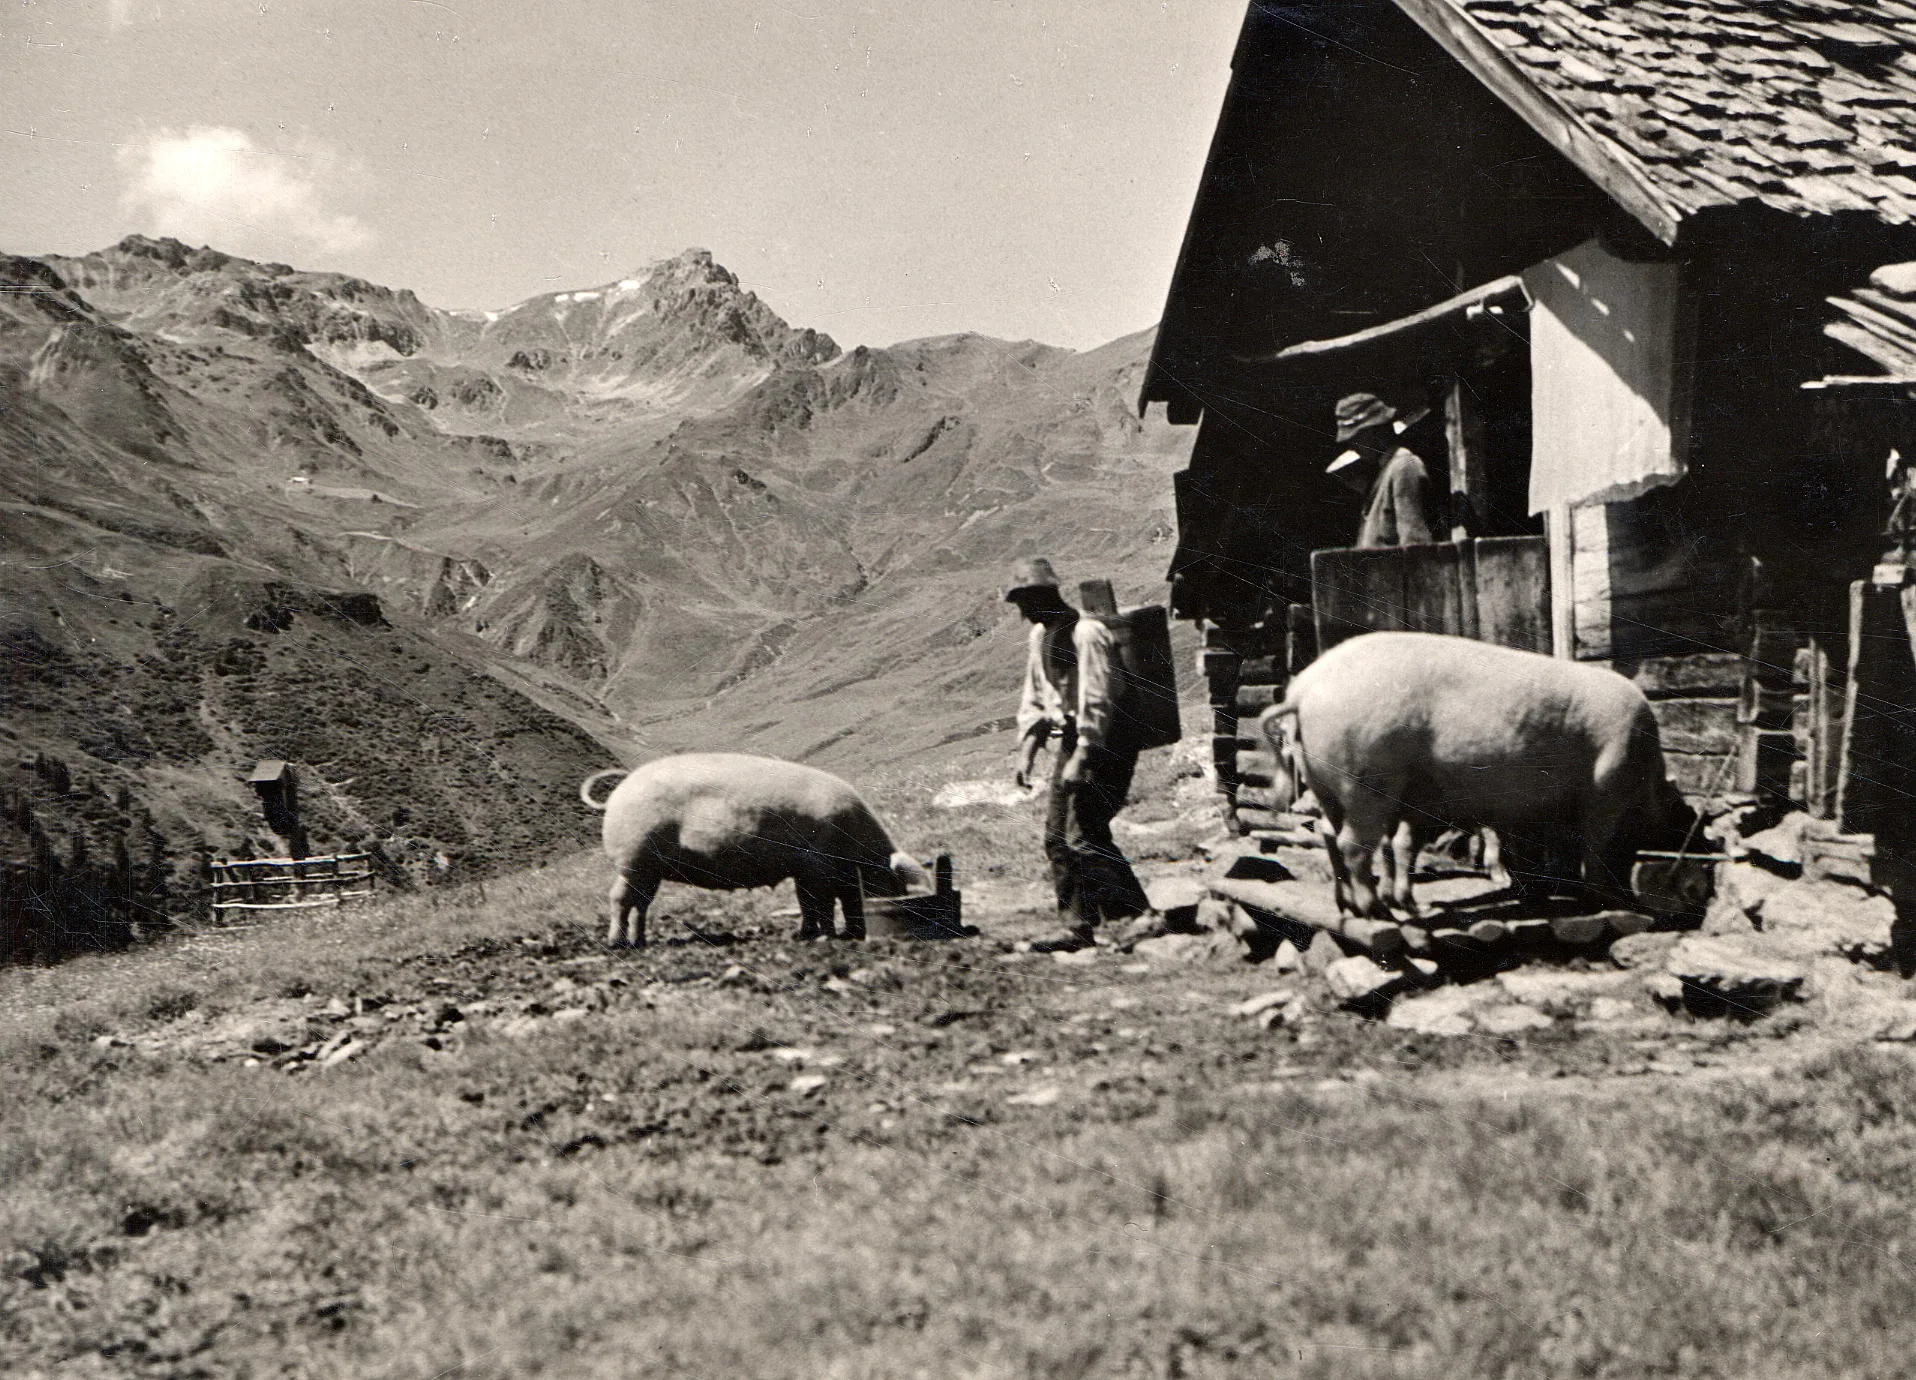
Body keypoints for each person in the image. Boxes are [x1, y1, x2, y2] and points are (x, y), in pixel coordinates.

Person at [1004, 557, 1154, 952]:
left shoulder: (1087, 634)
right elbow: (1037, 697)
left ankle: (1141, 916)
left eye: (1025, 602)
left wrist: (1082, 755)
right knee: (1057, 837)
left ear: (1043, 595)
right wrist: (1027, 751)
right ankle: (1076, 927)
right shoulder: (1041, 637)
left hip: (1109, 738)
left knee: (1083, 834)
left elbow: (1098, 699)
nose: (1022, 613)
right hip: (1076, 737)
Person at [1327, 392, 1437, 548]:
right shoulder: (1385, 471)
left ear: (1374, 430)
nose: (1353, 446)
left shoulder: (1404, 467)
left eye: (1357, 438)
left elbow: (1415, 545)